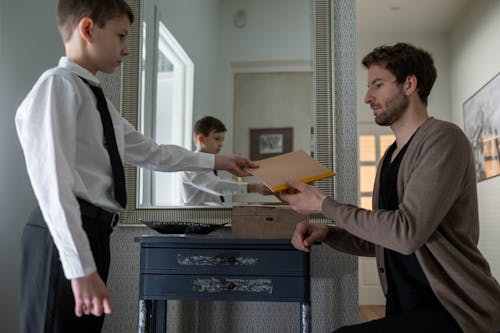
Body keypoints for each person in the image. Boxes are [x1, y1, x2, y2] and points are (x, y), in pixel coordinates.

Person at [15, 1, 257, 332]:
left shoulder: (95, 98)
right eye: (121, 36)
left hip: (94, 233)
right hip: (64, 238)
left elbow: (151, 153)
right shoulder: (57, 86)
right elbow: (51, 183)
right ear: (87, 29)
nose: (127, 49)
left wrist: (218, 160)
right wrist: (79, 267)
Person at [281, 42, 500, 333]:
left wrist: (324, 205)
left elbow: (406, 232)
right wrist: (328, 233)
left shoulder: (444, 139)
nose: (367, 97)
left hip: (455, 310)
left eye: (378, 85)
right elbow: (386, 238)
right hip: (408, 307)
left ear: (409, 84)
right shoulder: (388, 157)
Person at [182, 116, 271, 205]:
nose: (221, 144)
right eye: (217, 139)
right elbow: (215, 186)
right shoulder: (192, 165)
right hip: (196, 218)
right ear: (200, 138)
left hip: (211, 216)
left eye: (222, 140)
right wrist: (253, 187)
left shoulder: (210, 164)